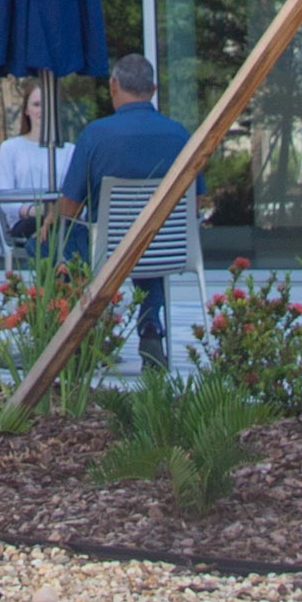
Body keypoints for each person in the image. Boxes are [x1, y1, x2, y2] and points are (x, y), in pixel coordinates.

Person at [48, 54, 192, 371]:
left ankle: (66, 334)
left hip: (107, 251)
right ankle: (151, 326)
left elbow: (70, 208)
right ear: (153, 89)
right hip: (165, 249)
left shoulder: (97, 135)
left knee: (57, 240)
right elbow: (200, 199)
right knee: (145, 240)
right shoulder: (179, 135)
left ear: (114, 86)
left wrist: (46, 219)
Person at [0, 83, 73, 240]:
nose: (42, 110)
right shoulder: (10, 148)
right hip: (25, 222)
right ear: (26, 110)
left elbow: (78, 197)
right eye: (37, 105)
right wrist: (35, 210)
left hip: (63, 221)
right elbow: (4, 199)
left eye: (47, 105)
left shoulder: (70, 150)